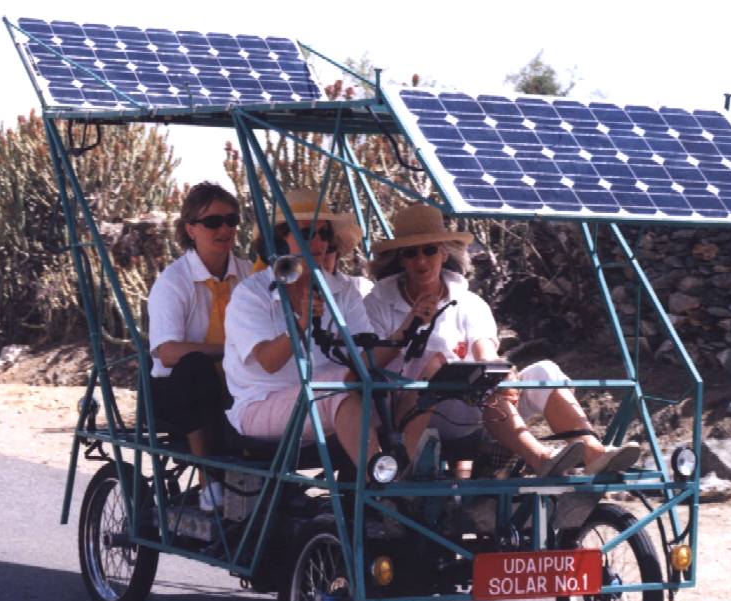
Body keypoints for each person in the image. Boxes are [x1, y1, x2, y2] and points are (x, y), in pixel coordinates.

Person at [364, 202, 640, 478]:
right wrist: (409, 325)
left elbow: (485, 352)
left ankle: (593, 452)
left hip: (468, 412)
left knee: (541, 371)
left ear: (444, 251)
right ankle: (540, 458)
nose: (421, 261)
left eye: (429, 250)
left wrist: (500, 372)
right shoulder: (377, 303)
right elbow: (367, 364)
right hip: (408, 411)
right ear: (400, 258)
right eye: (411, 253)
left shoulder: (469, 303)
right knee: (437, 363)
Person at [223, 188, 428, 474]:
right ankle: (383, 484)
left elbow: (364, 360)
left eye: (324, 235)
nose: (318, 243)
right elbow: (269, 362)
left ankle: (415, 471)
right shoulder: (251, 294)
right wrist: (301, 323)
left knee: (421, 368)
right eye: (307, 234)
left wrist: (406, 328)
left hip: (329, 396)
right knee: (337, 390)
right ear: (279, 244)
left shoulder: (343, 291)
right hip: (262, 403)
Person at [148, 182, 253, 510]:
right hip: (178, 391)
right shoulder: (173, 281)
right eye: (213, 222)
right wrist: (229, 351)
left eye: (231, 221)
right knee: (196, 366)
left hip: (236, 381)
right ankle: (207, 478)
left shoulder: (249, 273)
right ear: (190, 229)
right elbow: (166, 352)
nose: (224, 229)